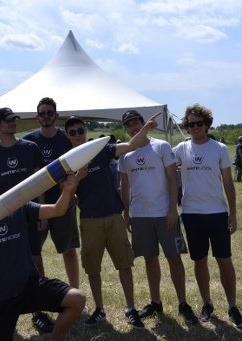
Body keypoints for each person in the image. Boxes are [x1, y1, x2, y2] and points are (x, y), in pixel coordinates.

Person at [0, 167, 86, 341]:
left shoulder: (18, 207)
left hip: (30, 286)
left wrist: (67, 190)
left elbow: (57, 210)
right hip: (0, 295)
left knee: (77, 299)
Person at [67, 113, 161, 329]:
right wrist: (78, 178)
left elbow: (130, 145)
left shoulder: (101, 149)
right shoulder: (68, 160)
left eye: (80, 130)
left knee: (124, 264)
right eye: (72, 132)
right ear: (68, 136)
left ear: (85, 131)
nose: (77, 135)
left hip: (113, 216)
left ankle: (131, 308)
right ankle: (99, 309)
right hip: (89, 220)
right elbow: (68, 196)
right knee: (93, 268)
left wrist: (146, 127)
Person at [118, 110, 200, 325]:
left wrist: (172, 209)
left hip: (164, 214)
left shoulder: (161, 146)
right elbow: (125, 185)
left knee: (174, 258)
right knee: (150, 259)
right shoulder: (125, 154)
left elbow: (173, 179)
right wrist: (127, 212)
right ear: (125, 129)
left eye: (136, 123)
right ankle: (155, 302)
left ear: (144, 124)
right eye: (129, 125)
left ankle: (183, 303)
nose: (133, 128)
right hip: (140, 215)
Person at [173, 103, 242, 329]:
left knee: (224, 260)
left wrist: (233, 214)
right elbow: (161, 163)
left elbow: (228, 183)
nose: (195, 127)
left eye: (199, 123)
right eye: (190, 124)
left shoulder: (220, 149)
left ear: (207, 125)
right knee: (200, 261)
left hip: (217, 214)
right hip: (192, 214)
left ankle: (233, 306)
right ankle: (207, 303)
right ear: (186, 126)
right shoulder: (181, 149)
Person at [0, 106, 54, 334]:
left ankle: (38, 311)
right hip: (4, 217)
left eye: (14, 120)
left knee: (35, 258)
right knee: (3, 263)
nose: (12, 123)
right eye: (7, 121)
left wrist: (41, 209)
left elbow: (39, 180)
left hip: (29, 213)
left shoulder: (30, 147)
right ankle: (4, 309)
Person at [21, 98, 81, 324]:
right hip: (38, 208)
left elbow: (77, 169)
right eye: (42, 113)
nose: (46, 116)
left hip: (64, 205)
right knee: (34, 255)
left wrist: (73, 194)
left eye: (49, 113)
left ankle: (76, 296)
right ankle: (38, 302)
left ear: (56, 116)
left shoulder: (66, 139)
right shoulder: (29, 141)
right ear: (37, 116)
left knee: (69, 250)